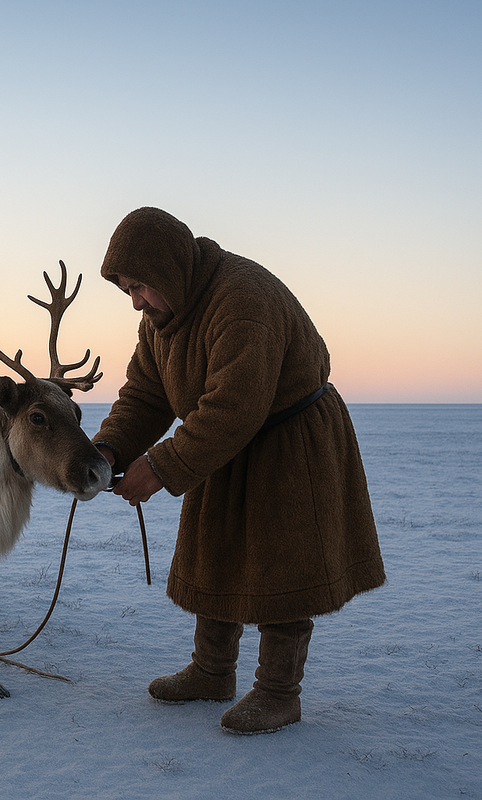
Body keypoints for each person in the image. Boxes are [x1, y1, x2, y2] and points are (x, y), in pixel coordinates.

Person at [93, 207, 385, 734]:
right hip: (221, 437)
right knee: (216, 549)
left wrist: (160, 466)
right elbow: (145, 393)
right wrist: (108, 451)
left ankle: (278, 693)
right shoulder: (162, 316)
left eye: (139, 286)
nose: (135, 300)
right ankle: (211, 672)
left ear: (168, 268)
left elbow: (235, 406)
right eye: (127, 290)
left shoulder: (241, 298)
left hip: (286, 441)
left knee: (282, 566)